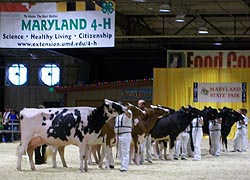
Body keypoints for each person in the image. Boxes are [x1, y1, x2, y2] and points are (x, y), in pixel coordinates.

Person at [114, 104, 133, 172]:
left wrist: (125, 109)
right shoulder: (117, 116)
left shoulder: (129, 112)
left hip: (126, 134)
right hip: (118, 135)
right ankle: (122, 165)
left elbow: (128, 115)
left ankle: (124, 167)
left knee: (125, 151)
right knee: (120, 152)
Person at [138, 99, 153, 164]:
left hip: (148, 131)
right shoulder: (138, 111)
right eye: (139, 104)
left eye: (140, 104)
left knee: (148, 146)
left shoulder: (148, 111)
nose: (139, 105)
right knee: (142, 146)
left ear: (143, 104)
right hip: (141, 132)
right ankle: (142, 160)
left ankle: (149, 159)